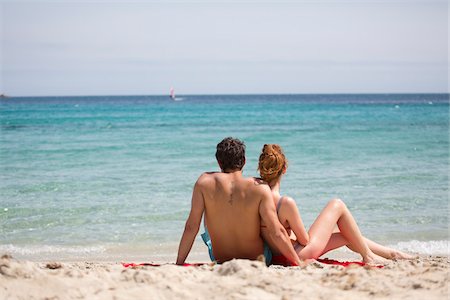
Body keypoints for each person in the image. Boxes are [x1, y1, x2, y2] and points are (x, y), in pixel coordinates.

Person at [258, 144, 413, 264]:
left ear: (262, 170)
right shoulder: (285, 202)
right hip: (296, 254)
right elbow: (304, 240)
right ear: (284, 169)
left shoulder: (255, 198)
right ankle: (368, 256)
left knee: (346, 235)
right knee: (337, 204)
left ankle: (392, 254)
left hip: (275, 257)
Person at [176, 138, 301, 266]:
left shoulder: (203, 182)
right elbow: (277, 232)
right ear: (244, 162)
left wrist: (179, 263)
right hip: (257, 258)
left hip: (221, 258)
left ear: (219, 163)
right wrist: (298, 263)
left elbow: (191, 227)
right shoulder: (259, 187)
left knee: (209, 208)